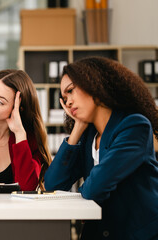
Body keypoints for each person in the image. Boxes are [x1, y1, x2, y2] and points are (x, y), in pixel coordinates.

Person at [44, 57, 158, 240]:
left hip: (136, 234)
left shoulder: (135, 126)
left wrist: (81, 202)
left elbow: (96, 187)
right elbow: (53, 184)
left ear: (92, 83)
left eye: (71, 91)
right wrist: (77, 128)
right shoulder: (88, 136)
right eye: (64, 99)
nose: (68, 102)